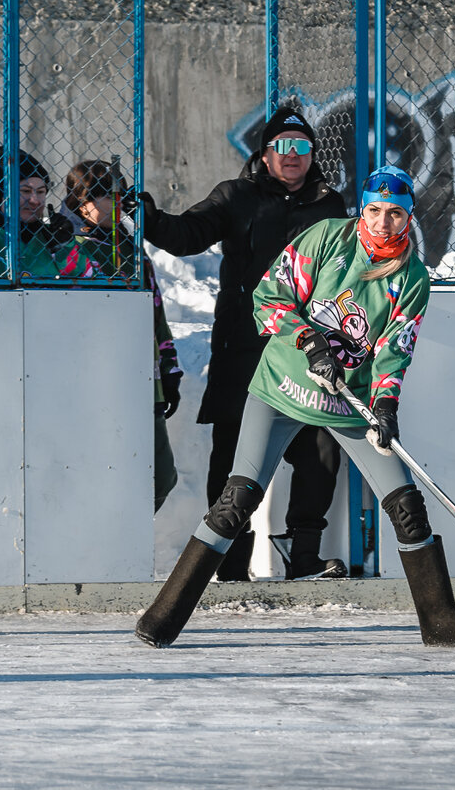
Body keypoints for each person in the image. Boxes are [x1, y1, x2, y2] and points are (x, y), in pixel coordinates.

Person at [136, 166, 455, 650]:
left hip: (346, 403)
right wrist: (309, 342)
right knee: (236, 500)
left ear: (409, 219)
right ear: (362, 208)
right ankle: (164, 615)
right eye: (375, 211)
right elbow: (269, 298)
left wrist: (385, 404)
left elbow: (393, 351)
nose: (383, 223)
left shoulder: (411, 278)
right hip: (282, 386)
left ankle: (441, 621)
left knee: (408, 508)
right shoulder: (327, 238)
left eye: (396, 214)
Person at [131, 106, 347, 580]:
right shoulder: (236, 196)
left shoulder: (331, 207)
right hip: (244, 350)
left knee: (318, 451)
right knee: (232, 458)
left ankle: (304, 552)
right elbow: (189, 234)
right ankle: (228, 561)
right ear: (265, 154)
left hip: (305, 351)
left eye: (302, 147)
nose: (293, 156)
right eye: (283, 147)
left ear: (312, 155)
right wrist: (150, 218)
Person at [65, 159, 181, 512]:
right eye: (108, 196)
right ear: (83, 204)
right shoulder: (68, 248)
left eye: (122, 195)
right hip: (93, 385)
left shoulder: (131, 248)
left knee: (161, 477)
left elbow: (156, 315)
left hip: (144, 382)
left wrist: (170, 372)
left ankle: (127, 544)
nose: (119, 202)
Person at [0, 146, 88, 280]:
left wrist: (65, 247)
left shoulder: (52, 237)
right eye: (25, 191)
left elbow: (90, 279)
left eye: (41, 192)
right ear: (3, 196)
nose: (35, 201)